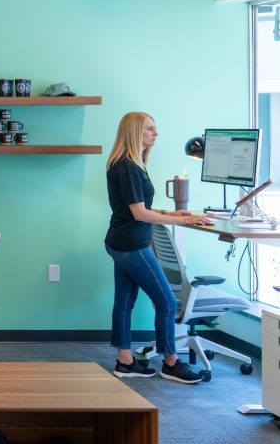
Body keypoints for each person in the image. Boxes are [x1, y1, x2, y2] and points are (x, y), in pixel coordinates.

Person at [105, 112, 215, 384]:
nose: (155, 133)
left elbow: (136, 208)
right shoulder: (129, 167)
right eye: (150, 128)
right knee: (167, 302)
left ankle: (125, 362)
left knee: (124, 303)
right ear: (135, 132)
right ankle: (171, 363)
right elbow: (140, 214)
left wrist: (172, 213)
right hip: (132, 245)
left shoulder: (129, 163)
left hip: (121, 242)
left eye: (155, 128)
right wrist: (185, 220)